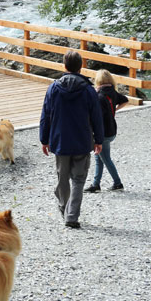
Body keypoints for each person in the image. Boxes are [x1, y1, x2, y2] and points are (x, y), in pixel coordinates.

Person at [39, 50, 104, 229]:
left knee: (62, 178)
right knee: (78, 180)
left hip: (59, 141)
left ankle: (63, 206)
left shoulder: (54, 88)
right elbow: (96, 117)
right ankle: (72, 216)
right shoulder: (88, 90)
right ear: (81, 66)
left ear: (64, 66)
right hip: (82, 140)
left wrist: (44, 139)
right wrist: (98, 139)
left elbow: (46, 115)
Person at [85, 69, 128, 192]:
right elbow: (125, 100)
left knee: (106, 159)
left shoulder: (99, 95)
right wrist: (114, 110)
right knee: (99, 157)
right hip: (112, 129)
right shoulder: (112, 92)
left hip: (103, 132)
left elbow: (96, 117)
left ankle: (118, 183)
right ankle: (96, 184)